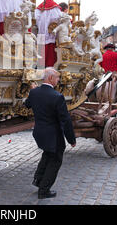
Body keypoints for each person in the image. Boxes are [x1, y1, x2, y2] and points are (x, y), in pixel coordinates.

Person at [24, 67, 76, 199]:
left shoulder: (34, 93)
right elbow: (66, 120)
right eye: (57, 77)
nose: (58, 80)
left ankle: (38, 180)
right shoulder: (57, 97)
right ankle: (44, 190)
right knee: (55, 160)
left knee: (47, 155)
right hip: (53, 135)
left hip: (39, 132)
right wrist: (71, 139)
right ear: (50, 78)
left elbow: (27, 105)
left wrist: (33, 90)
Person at [34, 0, 63, 67]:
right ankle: (49, 67)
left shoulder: (40, 7)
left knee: (41, 49)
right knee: (50, 51)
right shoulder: (54, 6)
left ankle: (40, 67)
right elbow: (58, 18)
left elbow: (36, 18)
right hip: (50, 31)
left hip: (41, 31)